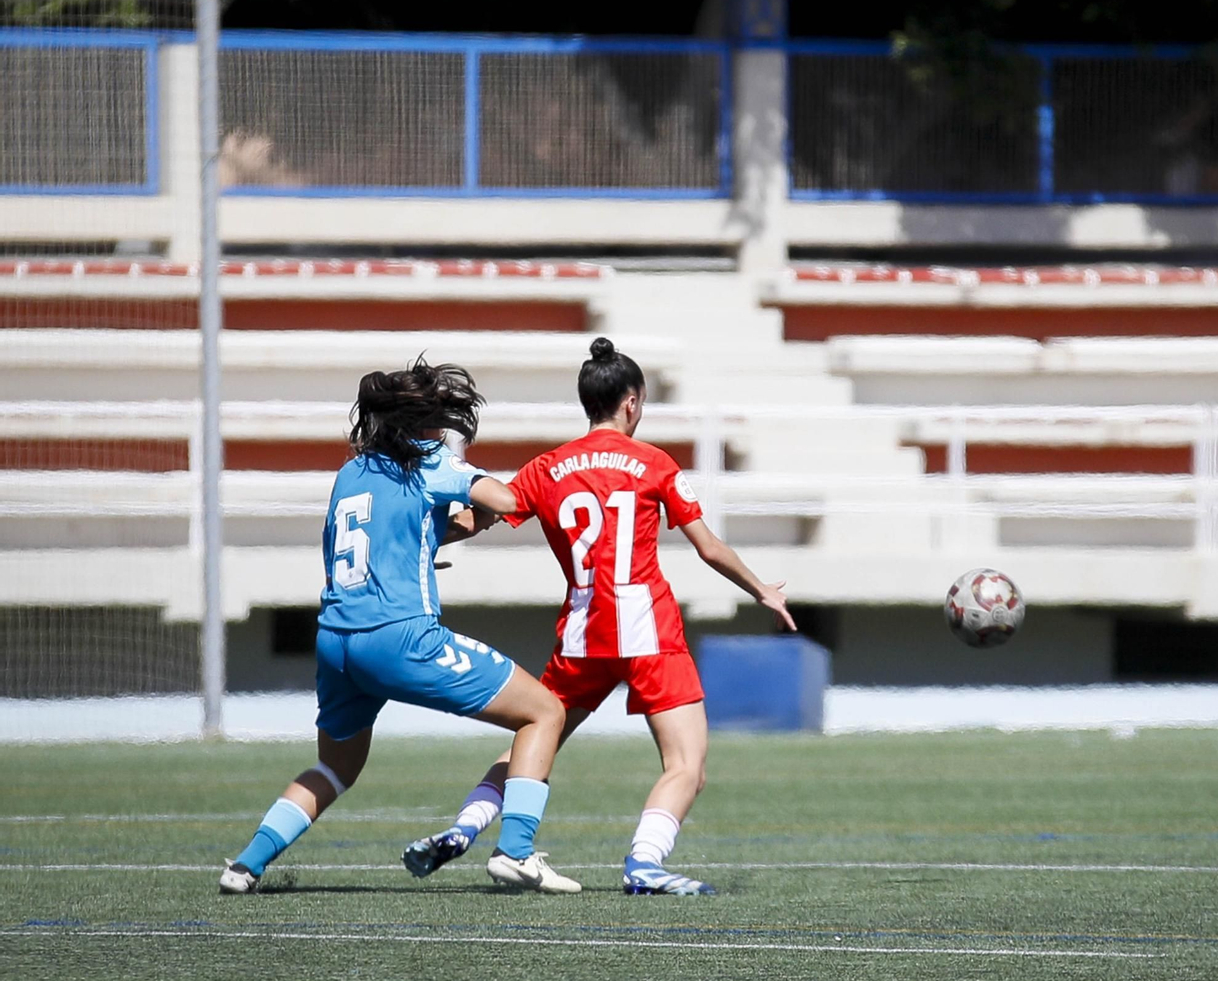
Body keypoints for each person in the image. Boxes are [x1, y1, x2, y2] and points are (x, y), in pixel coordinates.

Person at [402, 338, 795, 895]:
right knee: (687, 764)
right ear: (631, 402)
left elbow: (470, 523)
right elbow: (708, 548)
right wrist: (762, 589)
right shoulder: (654, 463)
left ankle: (463, 829)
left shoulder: (548, 467)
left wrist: (418, 535)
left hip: (583, 632)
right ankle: (645, 864)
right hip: (648, 629)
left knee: (532, 741)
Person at [219, 361, 579, 895]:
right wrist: (527, 483)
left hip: (336, 641)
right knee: (544, 711)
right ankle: (516, 852)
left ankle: (244, 867)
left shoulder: (352, 472)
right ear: (423, 424)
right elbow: (506, 500)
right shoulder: (430, 461)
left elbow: (389, 536)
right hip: (400, 637)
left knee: (336, 765)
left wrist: (437, 540)